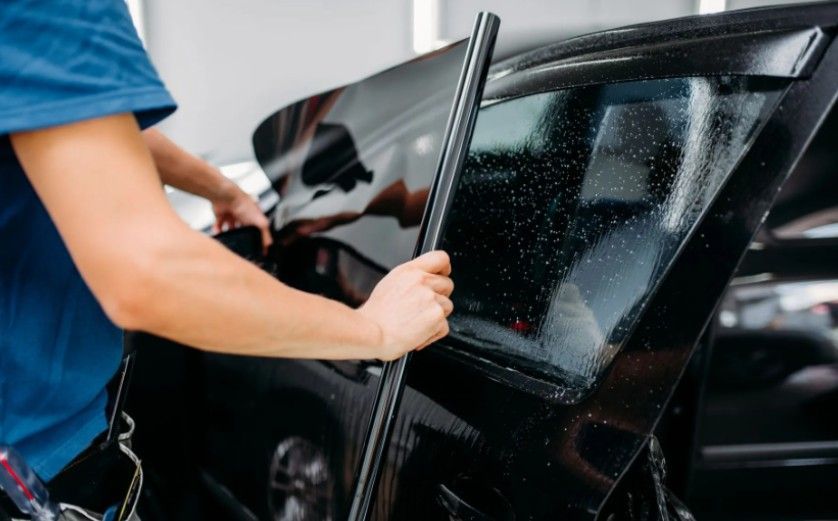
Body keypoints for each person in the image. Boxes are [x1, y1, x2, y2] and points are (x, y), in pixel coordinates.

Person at [0, 0, 453, 515]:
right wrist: (372, 330)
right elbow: (149, 274)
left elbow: (77, 122)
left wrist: (222, 190)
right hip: (33, 477)